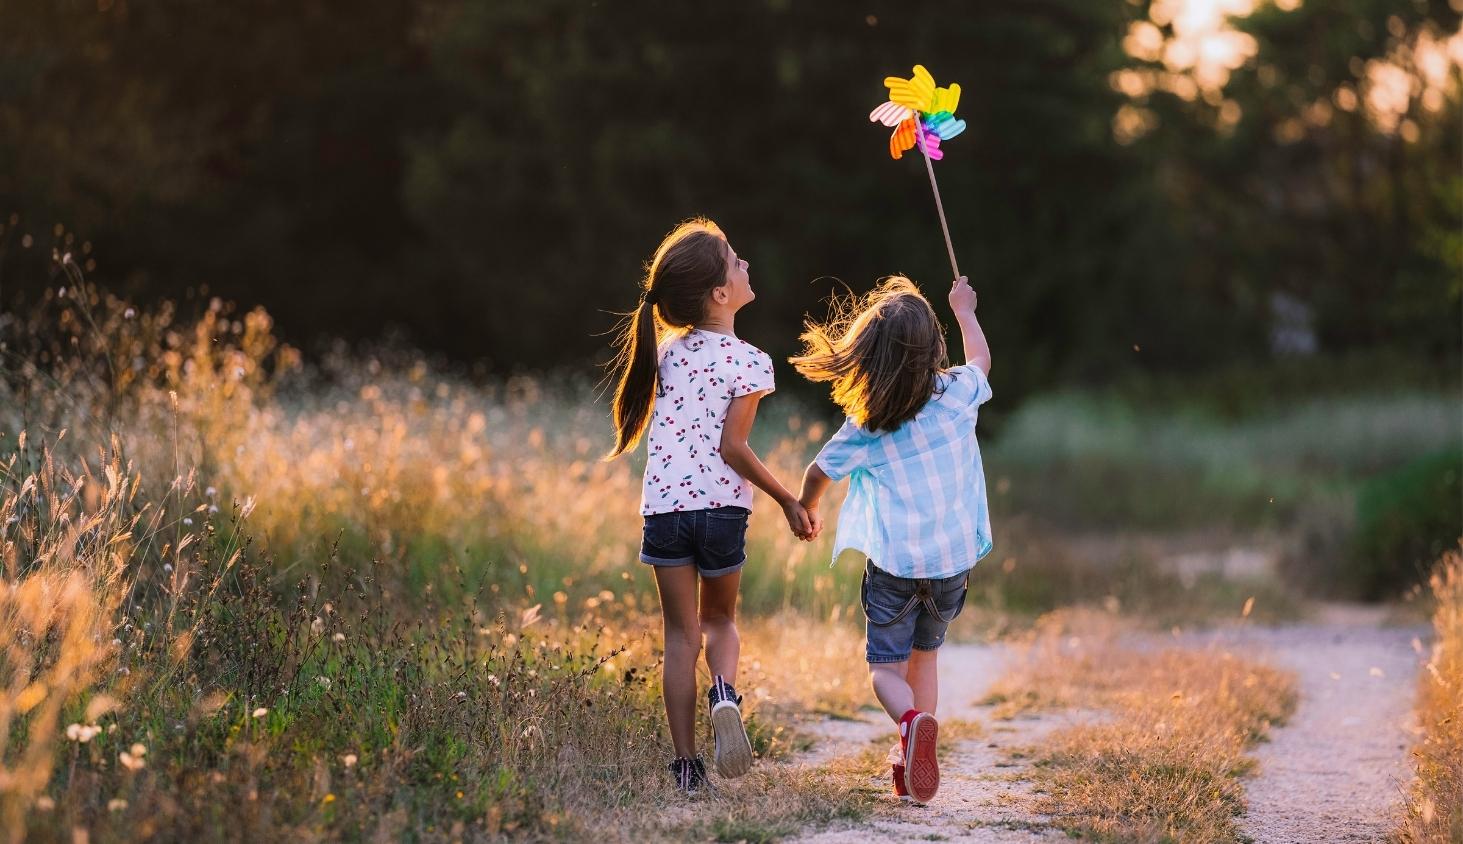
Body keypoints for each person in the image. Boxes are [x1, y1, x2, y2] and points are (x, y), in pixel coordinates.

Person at [605, 218, 814, 793]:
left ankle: (685, 767)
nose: (747, 267)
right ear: (721, 293)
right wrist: (787, 500)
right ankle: (725, 692)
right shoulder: (749, 360)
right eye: (737, 262)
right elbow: (733, 447)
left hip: (665, 511)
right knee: (720, 621)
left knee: (679, 637)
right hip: (721, 510)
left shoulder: (663, 354)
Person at [791, 275, 993, 804]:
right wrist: (965, 311)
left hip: (895, 568)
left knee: (884, 670)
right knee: (925, 658)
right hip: (950, 565)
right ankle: (914, 749)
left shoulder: (870, 422)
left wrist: (806, 508)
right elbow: (981, 362)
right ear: (932, 346)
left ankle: (908, 723)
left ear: (872, 355)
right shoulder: (957, 395)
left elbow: (819, 470)